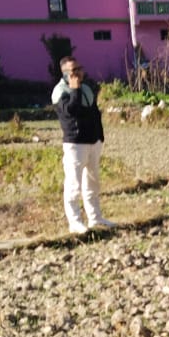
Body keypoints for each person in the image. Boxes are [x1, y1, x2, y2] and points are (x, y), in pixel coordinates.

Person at [51, 57, 113, 234]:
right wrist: (74, 89)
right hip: (75, 144)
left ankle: (95, 218)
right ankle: (75, 222)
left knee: (92, 182)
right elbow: (72, 111)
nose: (78, 73)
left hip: (93, 141)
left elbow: (94, 113)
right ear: (65, 74)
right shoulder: (60, 92)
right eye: (73, 70)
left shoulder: (86, 88)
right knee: (74, 184)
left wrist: (99, 136)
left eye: (79, 68)